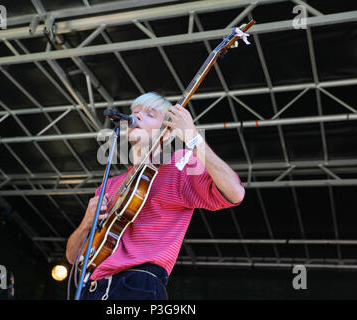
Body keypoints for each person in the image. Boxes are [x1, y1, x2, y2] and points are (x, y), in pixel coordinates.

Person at [66, 92, 245, 300]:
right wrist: (87, 223)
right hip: (92, 288)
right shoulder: (110, 184)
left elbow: (235, 192)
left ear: (167, 133)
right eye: (135, 112)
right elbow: (72, 257)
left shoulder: (180, 164)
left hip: (137, 284)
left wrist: (193, 137)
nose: (138, 116)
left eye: (150, 114)